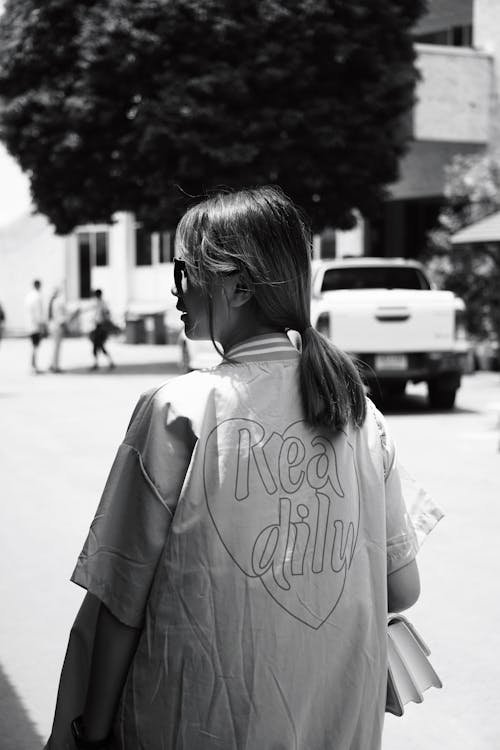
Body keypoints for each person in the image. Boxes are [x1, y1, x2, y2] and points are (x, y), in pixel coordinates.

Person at [45, 187, 442, 750]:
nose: (175, 290)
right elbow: (401, 586)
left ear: (238, 284)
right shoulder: (358, 411)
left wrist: (91, 729)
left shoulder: (177, 409)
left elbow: (118, 600)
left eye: (183, 271)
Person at [48, 286, 76, 373]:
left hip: (53, 326)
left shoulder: (53, 301)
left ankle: (53, 365)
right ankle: (55, 367)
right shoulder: (58, 302)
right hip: (57, 327)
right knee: (57, 348)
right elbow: (61, 317)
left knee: (55, 347)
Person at [25, 279, 47, 374]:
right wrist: (42, 326)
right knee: (35, 347)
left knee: (34, 346)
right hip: (36, 326)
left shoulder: (29, 296)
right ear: (38, 286)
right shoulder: (37, 297)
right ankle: (33, 367)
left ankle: (33, 366)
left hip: (30, 325)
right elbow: (39, 314)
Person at [89, 289, 115, 371]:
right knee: (98, 346)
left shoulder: (102, 304)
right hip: (98, 326)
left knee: (98, 345)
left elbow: (106, 314)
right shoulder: (99, 303)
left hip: (101, 327)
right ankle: (107, 362)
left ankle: (99, 363)